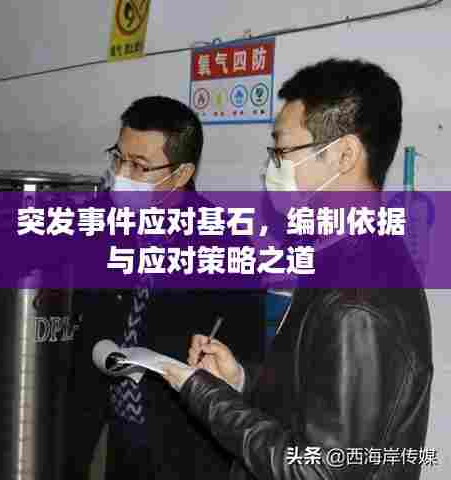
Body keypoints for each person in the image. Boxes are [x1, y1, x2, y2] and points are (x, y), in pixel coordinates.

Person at [159, 59, 433, 480]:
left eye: (282, 151)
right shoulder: (341, 259)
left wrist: (203, 394)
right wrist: (241, 381)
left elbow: (322, 470)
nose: (270, 168)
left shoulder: (357, 300)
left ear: (344, 155)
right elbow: (311, 404)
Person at [66, 96, 265, 480]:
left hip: (182, 447)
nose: (121, 174)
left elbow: (246, 361)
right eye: (118, 158)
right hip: (111, 433)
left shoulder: (225, 247)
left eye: (139, 166)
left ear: (181, 173)